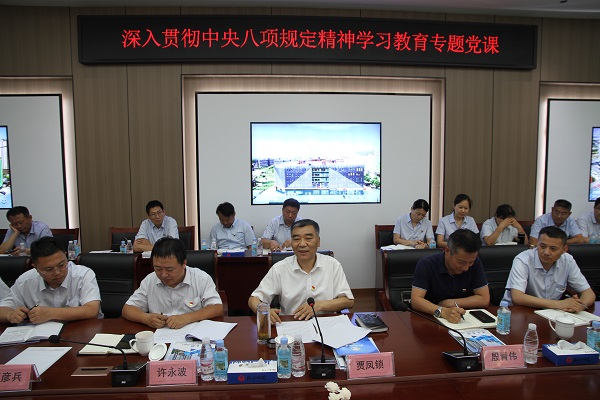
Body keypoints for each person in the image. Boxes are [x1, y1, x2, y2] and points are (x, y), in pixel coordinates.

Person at [248, 219, 354, 324]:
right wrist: (264, 310)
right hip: (291, 324)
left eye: (308, 238)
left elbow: (348, 300)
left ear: (318, 241)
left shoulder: (333, 265)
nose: (302, 244)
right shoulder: (280, 268)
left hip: (327, 324)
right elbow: (253, 299)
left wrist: (320, 305)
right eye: (296, 239)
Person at [122, 237, 223, 329]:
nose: (163, 274)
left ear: (184, 263)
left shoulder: (201, 278)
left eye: (169, 269)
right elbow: (127, 309)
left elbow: (217, 307)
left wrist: (186, 318)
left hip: (193, 335)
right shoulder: (150, 280)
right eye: (158, 268)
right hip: (159, 337)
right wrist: (146, 318)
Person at [0, 237, 102, 324]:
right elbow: (2, 309)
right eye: (49, 269)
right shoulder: (25, 281)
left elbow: (92, 311)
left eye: (61, 265)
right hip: (41, 336)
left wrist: (50, 313)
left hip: (80, 330)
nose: (57, 272)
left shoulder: (82, 274)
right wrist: (10, 315)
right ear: (36, 268)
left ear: (66, 256)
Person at [502, 226, 595, 310]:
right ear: (537, 244)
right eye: (542, 246)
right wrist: (559, 304)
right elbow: (517, 297)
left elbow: (588, 293)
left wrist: (580, 306)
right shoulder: (523, 260)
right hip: (519, 311)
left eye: (553, 249)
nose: (546, 252)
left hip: (552, 312)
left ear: (564, 249)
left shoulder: (568, 261)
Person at [411, 229, 490, 323]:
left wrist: (449, 303)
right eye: (461, 262)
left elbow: (484, 299)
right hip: (430, 320)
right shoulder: (426, 264)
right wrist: (442, 311)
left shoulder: (476, 263)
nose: (466, 268)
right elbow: (416, 300)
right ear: (447, 250)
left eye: (470, 262)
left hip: (465, 320)